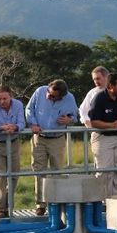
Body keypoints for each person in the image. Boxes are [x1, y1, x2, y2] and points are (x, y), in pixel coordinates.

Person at [26, 79, 78, 215]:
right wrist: (33, 124)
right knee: (39, 171)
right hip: (39, 138)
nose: (49, 96)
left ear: (61, 96)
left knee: (57, 171)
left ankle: (56, 203)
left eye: (53, 96)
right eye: (49, 93)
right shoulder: (39, 91)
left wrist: (69, 120)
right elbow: (29, 109)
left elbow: (75, 116)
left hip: (57, 139)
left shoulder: (70, 98)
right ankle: (40, 205)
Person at [80, 66, 117, 193]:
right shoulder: (97, 97)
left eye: (98, 78)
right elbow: (91, 120)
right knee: (104, 171)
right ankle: (102, 200)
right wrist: (110, 125)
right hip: (103, 137)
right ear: (111, 86)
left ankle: (114, 200)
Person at [0, 86, 25, 218]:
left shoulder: (18, 104)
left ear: (10, 96)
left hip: (14, 142)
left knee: (14, 174)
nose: (2, 101)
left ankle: (8, 203)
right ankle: (0, 208)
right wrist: (2, 128)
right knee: (0, 175)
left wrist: (15, 127)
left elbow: (22, 122)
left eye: (4, 98)